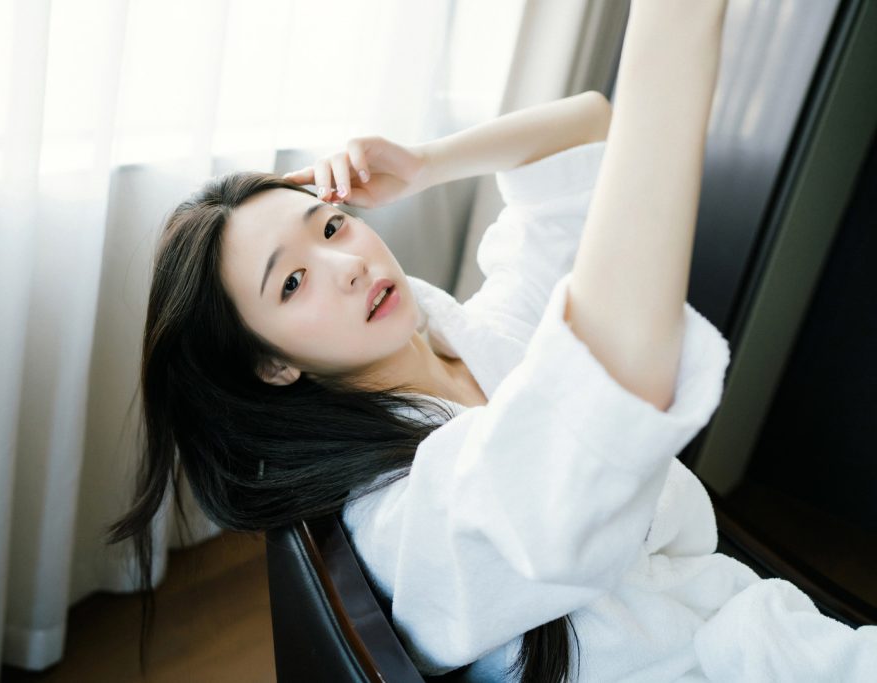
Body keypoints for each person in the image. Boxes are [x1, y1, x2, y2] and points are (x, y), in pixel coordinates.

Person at [107, 0, 877, 680]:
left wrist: (426, 163)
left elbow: (587, 130)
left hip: (758, 625)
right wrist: (675, 25)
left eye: (333, 226)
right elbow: (605, 402)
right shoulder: (404, 520)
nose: (348, 264)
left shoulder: (484, 337)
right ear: (273, 364)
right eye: (292, 282)